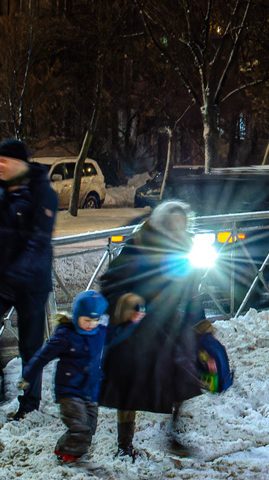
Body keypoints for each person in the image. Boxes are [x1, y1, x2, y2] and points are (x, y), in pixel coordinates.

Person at [99, 201, 206, 458]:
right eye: (174, 225)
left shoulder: (186, 247)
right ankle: (124, 445)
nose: (179, 230)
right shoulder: (140, 244)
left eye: (183, 225)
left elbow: (191, 290)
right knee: (128, 387)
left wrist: (199, 322)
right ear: (162, 224)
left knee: (179, 379)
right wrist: (126, 302)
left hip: (169, 325)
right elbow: (111, 281)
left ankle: (173, 435)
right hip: (137, 329)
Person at [0, 136, 58, 420]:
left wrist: (18, 271)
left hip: (31, 283)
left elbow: (38, 241)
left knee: (30, 347)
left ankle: (29, 404)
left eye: (4, 161)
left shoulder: (42, 193)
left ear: (20, 163)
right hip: (4, 279)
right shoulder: (2, 192)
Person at [18, 291, 108, 463]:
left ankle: (74, 451)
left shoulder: (100, 333)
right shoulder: (65, 336)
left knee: (90, 428)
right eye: (86, 320)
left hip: (90, 390)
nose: (91, 325)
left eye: (95, 320)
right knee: (80, 428)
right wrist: (27, 377)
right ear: (76, 315)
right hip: (69, 391)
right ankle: (64, 451)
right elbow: (42, 357)